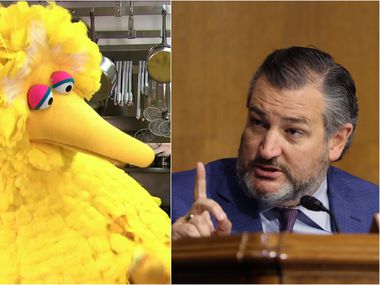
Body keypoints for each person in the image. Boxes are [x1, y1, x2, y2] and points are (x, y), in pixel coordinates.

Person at [172, 46, 379, 240]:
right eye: (258, 123)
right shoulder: (176, 204)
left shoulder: (373, 207)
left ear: (336, 141)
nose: (267, 150)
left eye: (293, 131)